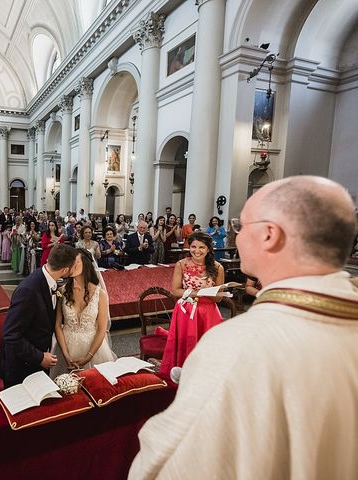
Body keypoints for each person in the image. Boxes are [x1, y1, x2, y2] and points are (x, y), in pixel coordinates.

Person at [129, 176, 358, 479]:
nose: (235, 235)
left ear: (269, 235)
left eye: (240, 225)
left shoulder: (235, 345)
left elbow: (170, 467)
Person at [0, 244, 80, 387]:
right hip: (20, 366)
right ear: (65, 270)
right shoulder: (29, 291)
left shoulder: (49, 280)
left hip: (35, 359)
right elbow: (10, 334)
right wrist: (39, 357)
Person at [157, 232, 224, 379]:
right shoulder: (182, 264)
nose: (197, 250)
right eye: (193, 246)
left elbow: (219, 298)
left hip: (208, 313)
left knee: (206, 347)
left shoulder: (218, 267)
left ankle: (205, 377)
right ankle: (182, 375)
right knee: (185, 345)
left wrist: (208, 294)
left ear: (208, 249)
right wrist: (198, 292)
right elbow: (175, 290)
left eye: (201, 247)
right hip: (186, 310)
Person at [51, 249, 116, 377]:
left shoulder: (100, 294)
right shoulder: (62, 291)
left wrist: (88, 357)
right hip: (67, 347)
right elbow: (58, 325)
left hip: (94, 348)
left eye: (76, 262)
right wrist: (66, 355)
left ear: (85, 264)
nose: (72, 266)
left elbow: (102, 328)